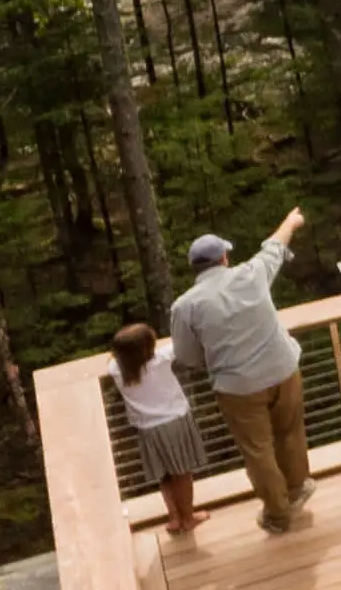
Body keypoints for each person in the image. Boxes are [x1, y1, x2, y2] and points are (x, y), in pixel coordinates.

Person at [167, 209, 311, 534]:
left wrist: (217, 360)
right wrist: (290, 221)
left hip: (238, 386)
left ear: (195, 268)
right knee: (290, 431)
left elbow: (187, 356)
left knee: (258, 450)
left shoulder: (185, 307)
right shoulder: (252, 273)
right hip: (283, 367)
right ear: (224, 259)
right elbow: (274, 246)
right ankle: (297, 487)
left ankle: (278, 514)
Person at [109, 323, 203, 536]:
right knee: (182, 474)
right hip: (174, 423)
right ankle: (188, 517)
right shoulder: (162, 359)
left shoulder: (116, 370)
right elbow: (182, 343)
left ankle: (174, 518)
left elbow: (114, 360)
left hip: (147, 430)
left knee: (165, 476)